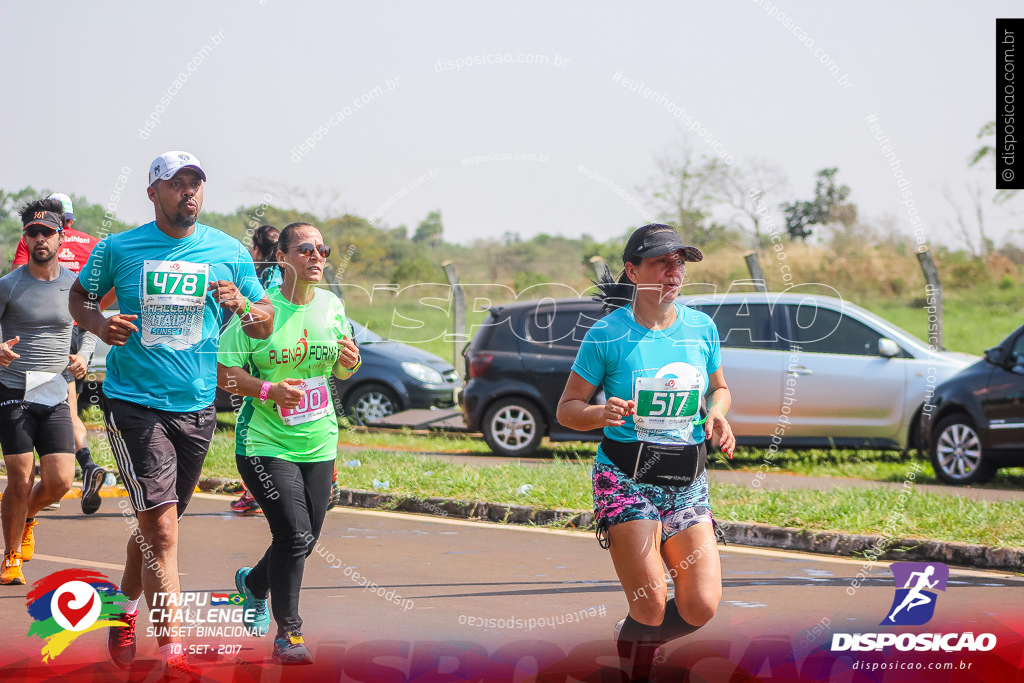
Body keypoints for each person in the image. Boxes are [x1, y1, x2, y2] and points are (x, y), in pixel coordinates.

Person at [68, 150, 274, 679]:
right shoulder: (119, 247)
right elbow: (79, 298)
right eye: (177, 183)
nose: (189, 192)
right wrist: (98, 325)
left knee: (158, 525)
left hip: (196, 405)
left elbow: (264, 325)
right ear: (153, 193)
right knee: (162, 531)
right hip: (134, 403)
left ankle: (122, 609)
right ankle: (173, 655)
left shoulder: (227, 251)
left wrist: (244, 307)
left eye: (196, 184)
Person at [556, 223, 736, 681]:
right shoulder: (607, 334)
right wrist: (601, 412)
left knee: (701, 606)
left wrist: (717, 413)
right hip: (625, 476)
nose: (673, 272)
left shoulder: (701, 327)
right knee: (652, 602)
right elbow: (567, 410)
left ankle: (634, 635)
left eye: (679, 263)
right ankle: (636, 658)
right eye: (661, 262)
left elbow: (720, 389)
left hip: (687, 479)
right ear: (633, 271)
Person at [218, 222, 360, 665]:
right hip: (264, 442)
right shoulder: (260, 311)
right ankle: (290, 634)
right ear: (281, 258)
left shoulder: (332, 304)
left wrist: (350, 362)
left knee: (306, 538)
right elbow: (224, 374)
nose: (317, 256)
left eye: (323, 249)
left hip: (319, 440)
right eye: (305, 249)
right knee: (293, 534)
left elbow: (340, 368)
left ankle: (254, 583)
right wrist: (268, 392)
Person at [0, 198, 97, 584]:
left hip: (54, 389)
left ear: (61, 236)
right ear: (26, 238)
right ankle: (10, 558)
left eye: (47, 232)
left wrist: (84, 356)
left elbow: (90, 325)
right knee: (20, 477)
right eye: (32, 232)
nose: (40, 238)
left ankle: (25, 516)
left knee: (59, 481)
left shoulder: (75, 286)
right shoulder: (9, 285)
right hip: (13, 389)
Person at [11, 192, 116, 515]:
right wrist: (89, 315)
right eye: (36, 231)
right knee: (67, 409)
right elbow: (107, 288)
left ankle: (65, 473)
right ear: (71, 220)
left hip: (40, 330)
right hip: (74, 327)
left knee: (53, 411)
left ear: (60, 227)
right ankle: (84, 465)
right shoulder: (93, 243)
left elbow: (21, 284)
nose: (40, 236)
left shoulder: (29, 239)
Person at [231, 224, 282, 514]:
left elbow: (252, 318)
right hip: (289, 353)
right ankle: (327, 480)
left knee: (253, 422)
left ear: (257, 249)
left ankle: (254, 493)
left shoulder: (258, 278)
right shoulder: (287, 274)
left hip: (262, 352)